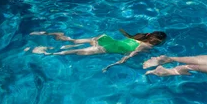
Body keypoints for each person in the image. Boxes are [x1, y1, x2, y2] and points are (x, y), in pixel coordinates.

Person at [28, 29, 167, 71]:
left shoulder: (139, 36)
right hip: (110, 47)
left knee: (73, 41)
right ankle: (48, 52)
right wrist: (111, 65)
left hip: (105, 39)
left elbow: (127, 40)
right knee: (78, 52)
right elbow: (129, 56)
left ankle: (53, 34)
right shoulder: (146, 47)